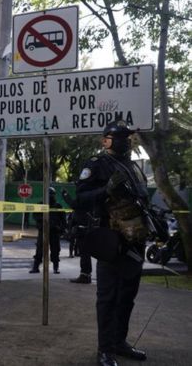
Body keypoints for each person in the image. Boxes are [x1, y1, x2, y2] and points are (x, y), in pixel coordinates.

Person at [68, 120, 149, 366]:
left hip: (135, 239)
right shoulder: (97, 165)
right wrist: (106, 191)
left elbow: (142, 197)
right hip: (110, 240)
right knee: (108, 297)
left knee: (128, 295)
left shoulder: (134, 167)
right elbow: (79, 198)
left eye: (128, 137)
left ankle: (119, 342)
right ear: (106, 140)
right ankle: (104, 350)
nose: (126, 141)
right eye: (120, 137)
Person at [29, 187, 65, 274]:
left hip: (54, 231)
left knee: (55, 250)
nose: (50, 197)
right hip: (43, 230)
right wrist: (42, 223)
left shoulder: (58, 206)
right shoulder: (40, 205)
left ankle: (56, 267)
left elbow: (63, 219)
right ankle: (36, 267)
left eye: (51, 195)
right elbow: (35, 216)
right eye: (49, 195)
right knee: (39, 249)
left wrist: (61, 229)